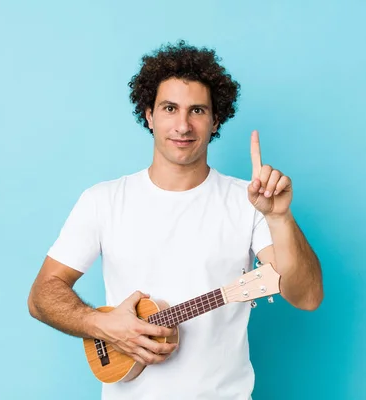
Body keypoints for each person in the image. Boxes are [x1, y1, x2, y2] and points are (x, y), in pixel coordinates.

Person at [28, 40, 323, 400]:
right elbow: (42, 294)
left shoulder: (249, 201)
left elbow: (307, 297)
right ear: (149, 115)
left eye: (197, 110)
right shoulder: (102, 200)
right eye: (170, 108)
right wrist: (101, 324)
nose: (183, 125)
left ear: (216, 120)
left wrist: (279, 217)